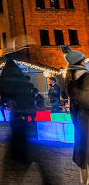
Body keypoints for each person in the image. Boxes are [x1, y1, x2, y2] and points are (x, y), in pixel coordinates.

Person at [0, 59, 54, 183]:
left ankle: (11, 177)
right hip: (26, 121)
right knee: (31, 150)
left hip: (20, 120)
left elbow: (3, 90)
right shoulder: (21, 81)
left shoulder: (9, 80)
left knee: (23, 151)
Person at [62, 45, 89, 184]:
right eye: (83, 60)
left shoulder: (69, 79)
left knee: (84, 149)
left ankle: (84, 180)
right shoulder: (85, 77)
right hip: (87, 118)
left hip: (79, 118)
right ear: (79, 62)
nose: (85, 62)